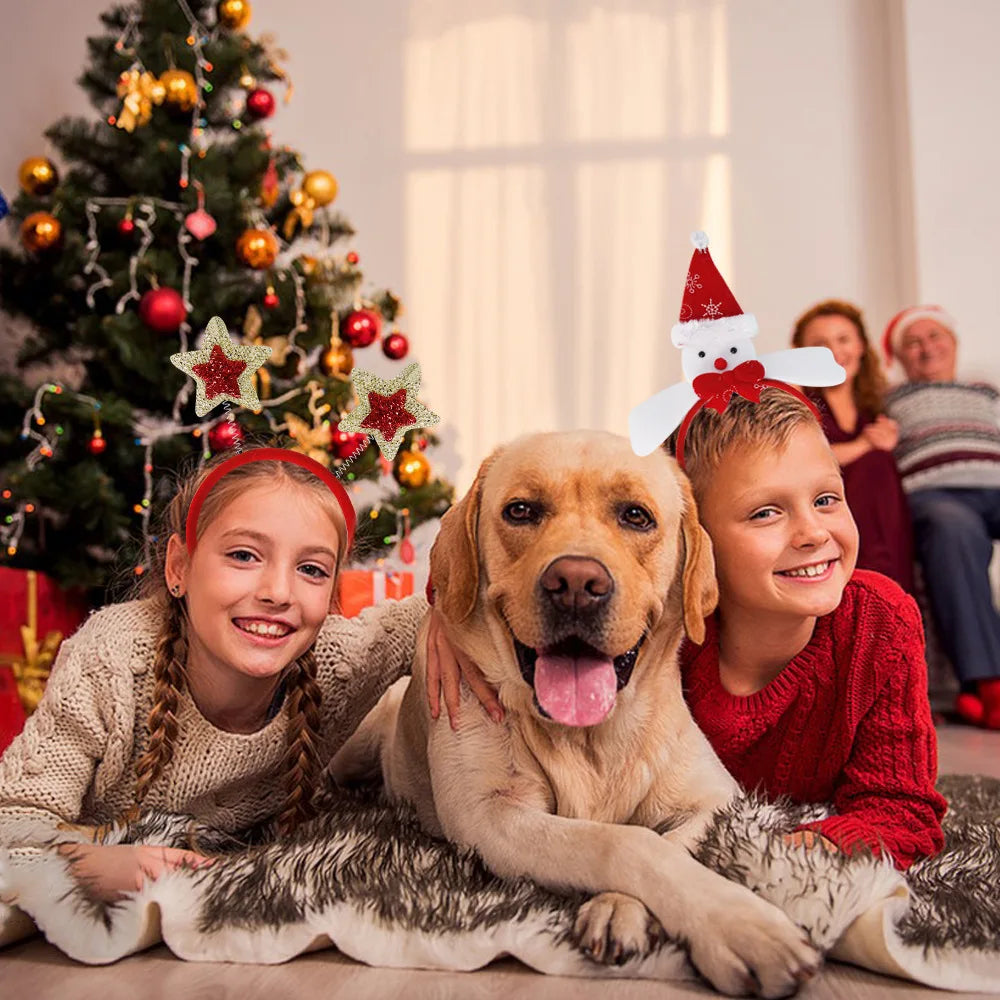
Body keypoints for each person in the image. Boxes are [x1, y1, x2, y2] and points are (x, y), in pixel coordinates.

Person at [430, 391, 946, 870]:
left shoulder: (880, 623)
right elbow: (477, 557)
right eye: (766, 512)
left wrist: (787, 854)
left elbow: (902, 809)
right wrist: (441, 616)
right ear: (696, 545)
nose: (812, 532)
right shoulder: (671, 631)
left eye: (828, 499)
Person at [0, 447, 499, 920]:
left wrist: (443, 615)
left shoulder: (336, 661)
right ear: (179, 567)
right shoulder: (111, 659)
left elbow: (427, 609)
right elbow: (11, 823)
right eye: (243, 556)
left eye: (311, 569)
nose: (278, 592)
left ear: (331, 595)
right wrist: (90, 865)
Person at [883, 305, 1000, 729]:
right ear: (901, 358)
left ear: (953, 343)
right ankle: (986, 683)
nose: (927, 348)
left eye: (935, 337)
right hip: (936, 494)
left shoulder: (985, 391)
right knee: (953, 530)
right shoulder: (890, 399)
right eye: (913, 343)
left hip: (994, 483)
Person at [791, 300, 914, 593]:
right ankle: (870, 587)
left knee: (880, 465)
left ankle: (892, 590)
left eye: (843, 340)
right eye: (820, 344)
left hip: (884, 525)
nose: (835, 352)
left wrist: (887, 444)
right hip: (824, 516)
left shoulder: (878, 405)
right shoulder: (797, 402)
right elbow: (804, 460)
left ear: (860, 346)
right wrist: (866, 445)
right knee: (875, 462)